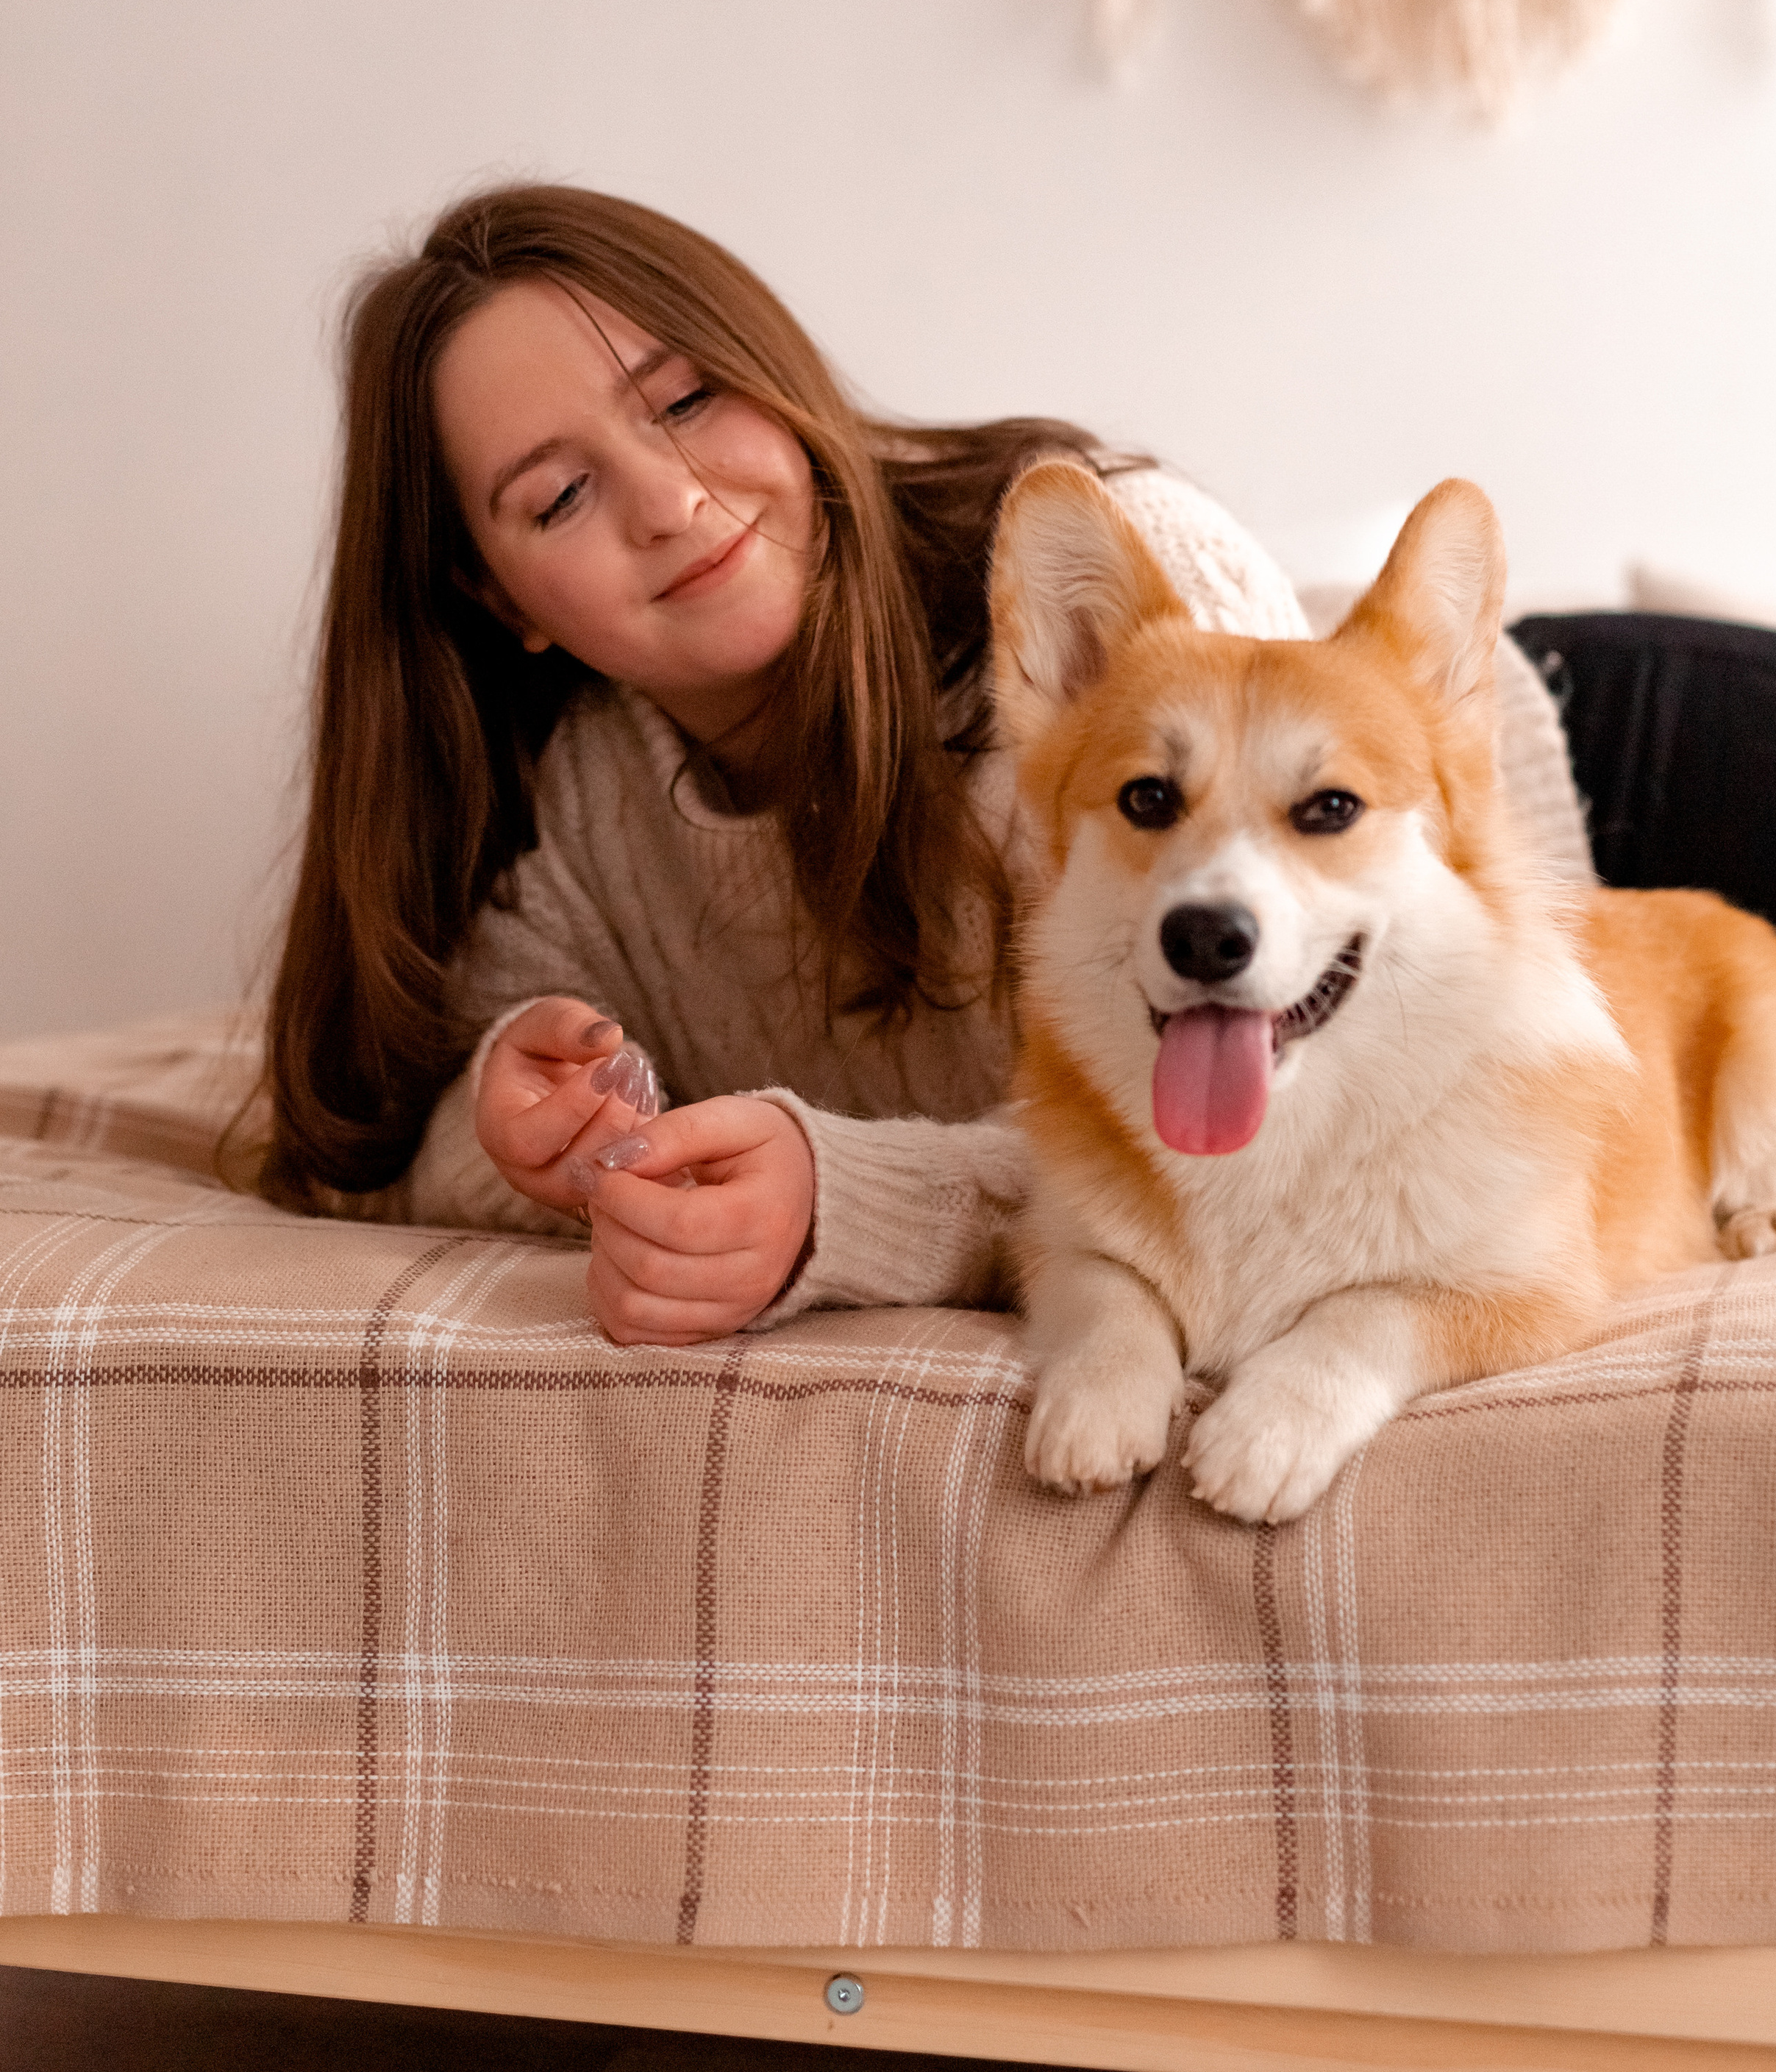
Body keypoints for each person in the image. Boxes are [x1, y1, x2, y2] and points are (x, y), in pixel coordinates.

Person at [264, 184, 1587, 1347]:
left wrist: (848, 1205)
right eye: (558, 498)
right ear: (506, 605)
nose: (668, 501)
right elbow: (368, 1148)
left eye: (685, 401)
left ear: (778, 379)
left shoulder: (1112, 609)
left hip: (1602, 763)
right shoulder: (586, 813)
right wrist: (513, 1138)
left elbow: (1288, 1165)